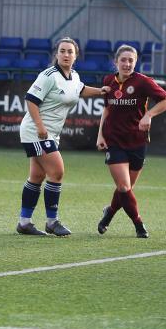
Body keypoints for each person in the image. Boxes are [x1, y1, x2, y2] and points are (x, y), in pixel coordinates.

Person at [17, 37, 109, 237]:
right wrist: (40, 127)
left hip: (50, 133)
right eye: (63, 51)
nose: (66, 55)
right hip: (36, 131)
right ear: (56, 54)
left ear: (76, 56)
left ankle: (24, 223)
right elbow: (30, 100)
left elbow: (80, 90)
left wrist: (101, 91)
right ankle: (52, 222)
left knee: (37, 176)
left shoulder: (74, 76)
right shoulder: (48, 75)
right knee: (57, 172)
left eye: (70, 52)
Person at [96, 45, 166, 238]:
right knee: (123, 187)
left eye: (131, 60)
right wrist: (100, 134)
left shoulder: (143, 82)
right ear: (116, 62)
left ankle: (109, 213)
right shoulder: (108, 81)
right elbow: (106, 110)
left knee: (126, 189)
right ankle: (139, 224)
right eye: (123, 60)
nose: (127, 63)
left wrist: (149, 115)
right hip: (114, 141)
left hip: (137, 141)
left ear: (135, 62)